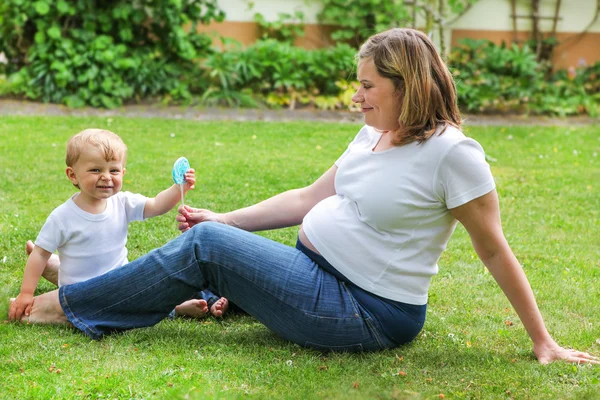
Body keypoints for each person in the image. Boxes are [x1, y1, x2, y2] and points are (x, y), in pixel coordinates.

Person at [9, 29, 598, 364]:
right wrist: (228, 217)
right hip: (313, 271)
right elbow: (309, 196)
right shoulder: (373, 133)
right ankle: (138, 290)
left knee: (206, 249)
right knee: (214, 245)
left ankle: (66, 303)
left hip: (365, 312)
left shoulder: (453, 155)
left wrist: (543, 340)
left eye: (367, 85)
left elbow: (494, 249)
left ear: (407, 84)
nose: (356, 96)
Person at [8, 129, 227, 320]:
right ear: (73, 175)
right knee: (130, 305)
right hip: (84, 294)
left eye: (113, 170)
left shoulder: (121, 202)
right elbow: (39, 254)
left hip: (121, 280)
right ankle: (176, 309)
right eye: (95, 170)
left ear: (122, 173)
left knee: (158, 278)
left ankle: (211, 296)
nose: (106, 177)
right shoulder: (62, 217)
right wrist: (26, 293)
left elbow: (156, 205)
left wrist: (178, 187)